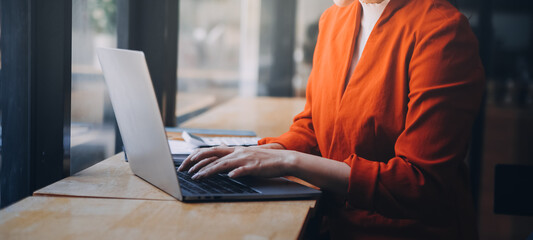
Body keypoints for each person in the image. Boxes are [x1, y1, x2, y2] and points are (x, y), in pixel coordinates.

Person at [179, 0, 484, 238]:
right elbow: (314, 126)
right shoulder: (335, 19)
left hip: (404, 233)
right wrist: (262, 153)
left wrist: (291, 162)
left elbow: (419, 184)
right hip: (332, 223)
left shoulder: (442, 32)